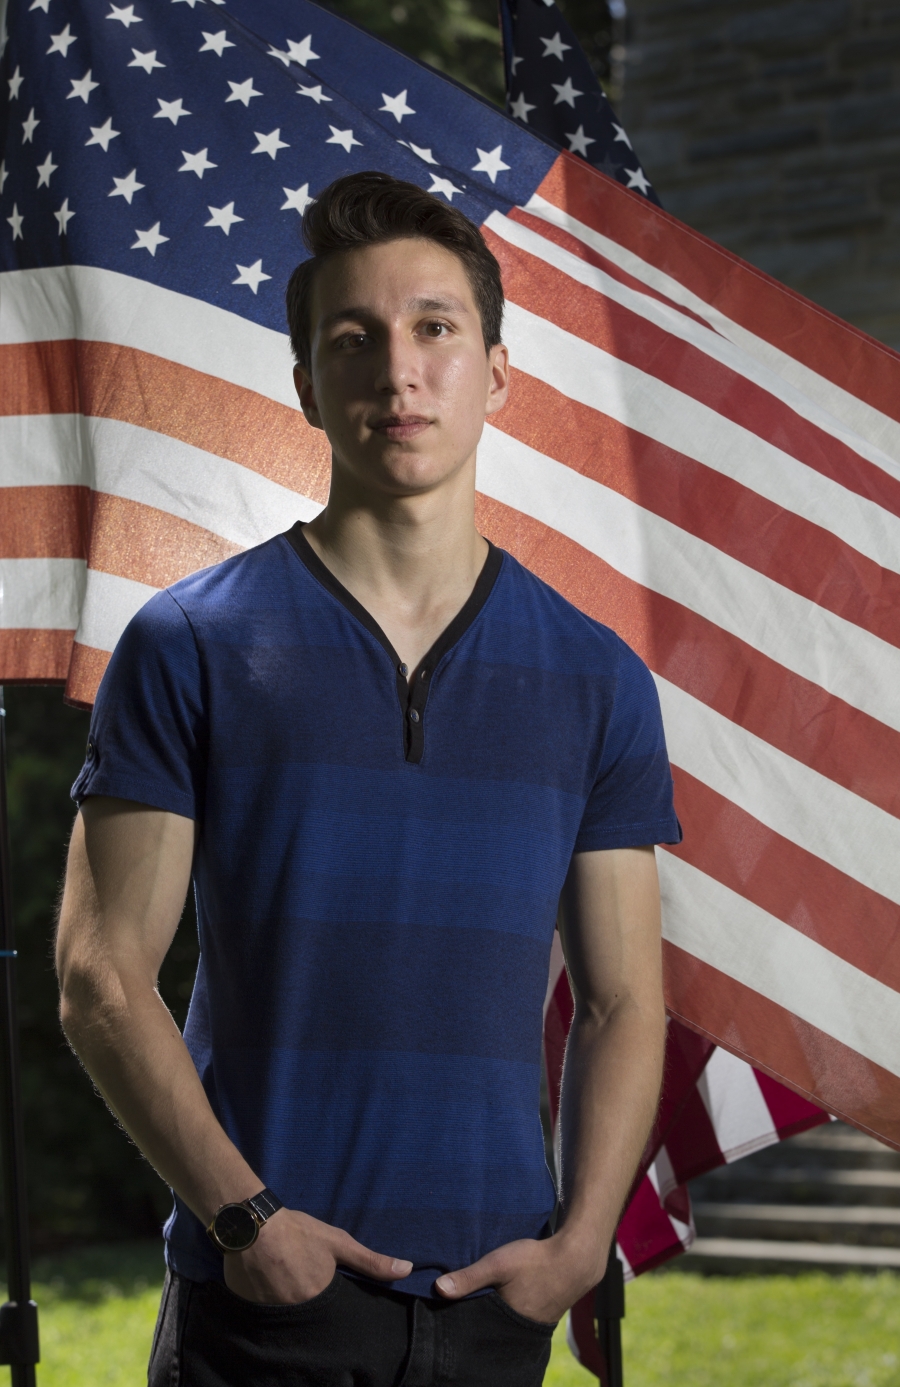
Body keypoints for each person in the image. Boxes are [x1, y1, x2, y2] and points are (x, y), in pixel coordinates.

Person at [56, 171, 681, 1387]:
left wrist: (578, 1245)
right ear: (305, 384)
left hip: (502, 1298)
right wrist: (247, 1221)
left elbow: (623, 1006)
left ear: (498, 373)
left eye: (435, 329)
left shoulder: (598, 677)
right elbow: (98, 977)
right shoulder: (191, 642)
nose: (398, 371)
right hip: (264, 1299)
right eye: (354, 339)